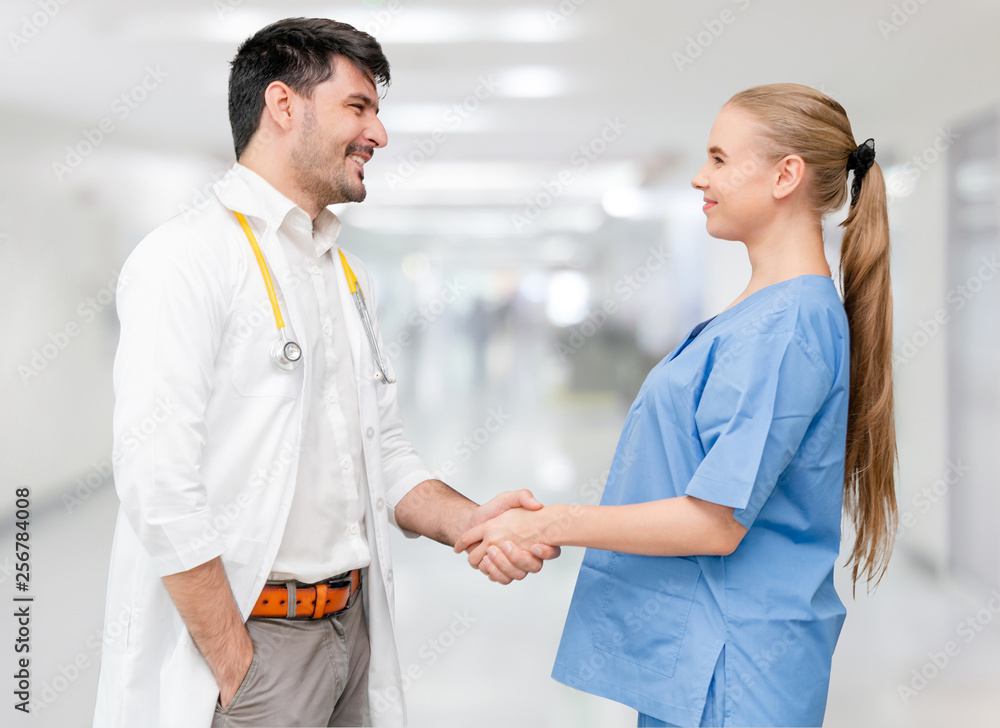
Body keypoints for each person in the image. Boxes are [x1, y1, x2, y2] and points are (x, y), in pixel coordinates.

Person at [94, 17, 558, 728]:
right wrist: (234, 664)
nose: (379, 133)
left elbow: (385, 451)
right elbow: (157, 479)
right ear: (284, 106)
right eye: (358, 106)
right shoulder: (184, 259)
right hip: (255, 643)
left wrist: (470, 521)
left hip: (352, 630)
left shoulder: (346, 274)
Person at [457, 83, 898, 726]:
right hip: (706, 658)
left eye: (719, 159)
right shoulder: (761, 314)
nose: (700, 178)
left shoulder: (791, 325)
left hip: (736, 669)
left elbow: (715, 522)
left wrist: (544, 524)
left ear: (785, 176)